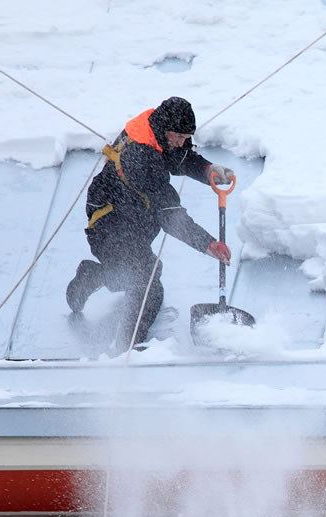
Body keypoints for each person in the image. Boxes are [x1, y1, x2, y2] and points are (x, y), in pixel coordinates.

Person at [65, 96, 235, 350]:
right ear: (166, 128)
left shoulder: (157, 132)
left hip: (133, 217)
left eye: (186, 137)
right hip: (108, 223)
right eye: (179, 136)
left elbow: (179, 156)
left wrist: (208, 170)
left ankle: (98, 275)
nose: (182, 142)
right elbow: (170, 215)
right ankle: (129, 345)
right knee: (148, 285)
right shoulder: (141, 154)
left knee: (140, 275)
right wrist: (208, 244)